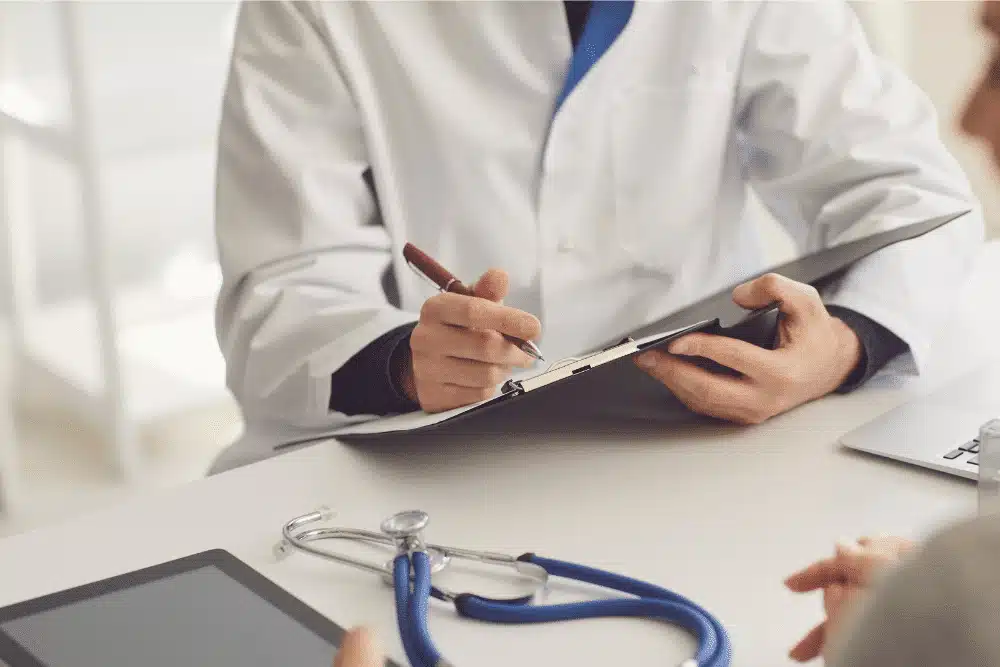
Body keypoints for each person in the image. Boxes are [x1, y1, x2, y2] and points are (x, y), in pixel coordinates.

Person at [213, 0, 982, 472]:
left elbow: (912, 194)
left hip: (694, 439)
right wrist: (404, 365)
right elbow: (280, 287)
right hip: (415, 457)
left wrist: (841, 345)